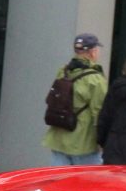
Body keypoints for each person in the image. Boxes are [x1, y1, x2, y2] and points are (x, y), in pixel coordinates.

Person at [43, 32, 108, 165]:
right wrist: (104, 142)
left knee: (59, 183)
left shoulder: (63, 71)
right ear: (92, 52)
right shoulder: (95, 79)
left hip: (58, 139)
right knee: (88, 184)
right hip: (83, 144)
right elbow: (100, 114)